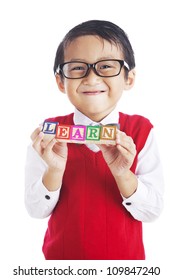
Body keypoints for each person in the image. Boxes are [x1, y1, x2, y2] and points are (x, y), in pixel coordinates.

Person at [25, 20, 164, 260]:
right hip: (61, 265)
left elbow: (151, 211)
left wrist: (123, 174)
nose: (91, 78)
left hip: (125, 268)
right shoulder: (47, 135)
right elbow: (36, 210)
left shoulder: (141, 130)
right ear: (61, 81)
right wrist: (54, 171)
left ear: (129, 78)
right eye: (78, 68)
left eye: (107, 66)